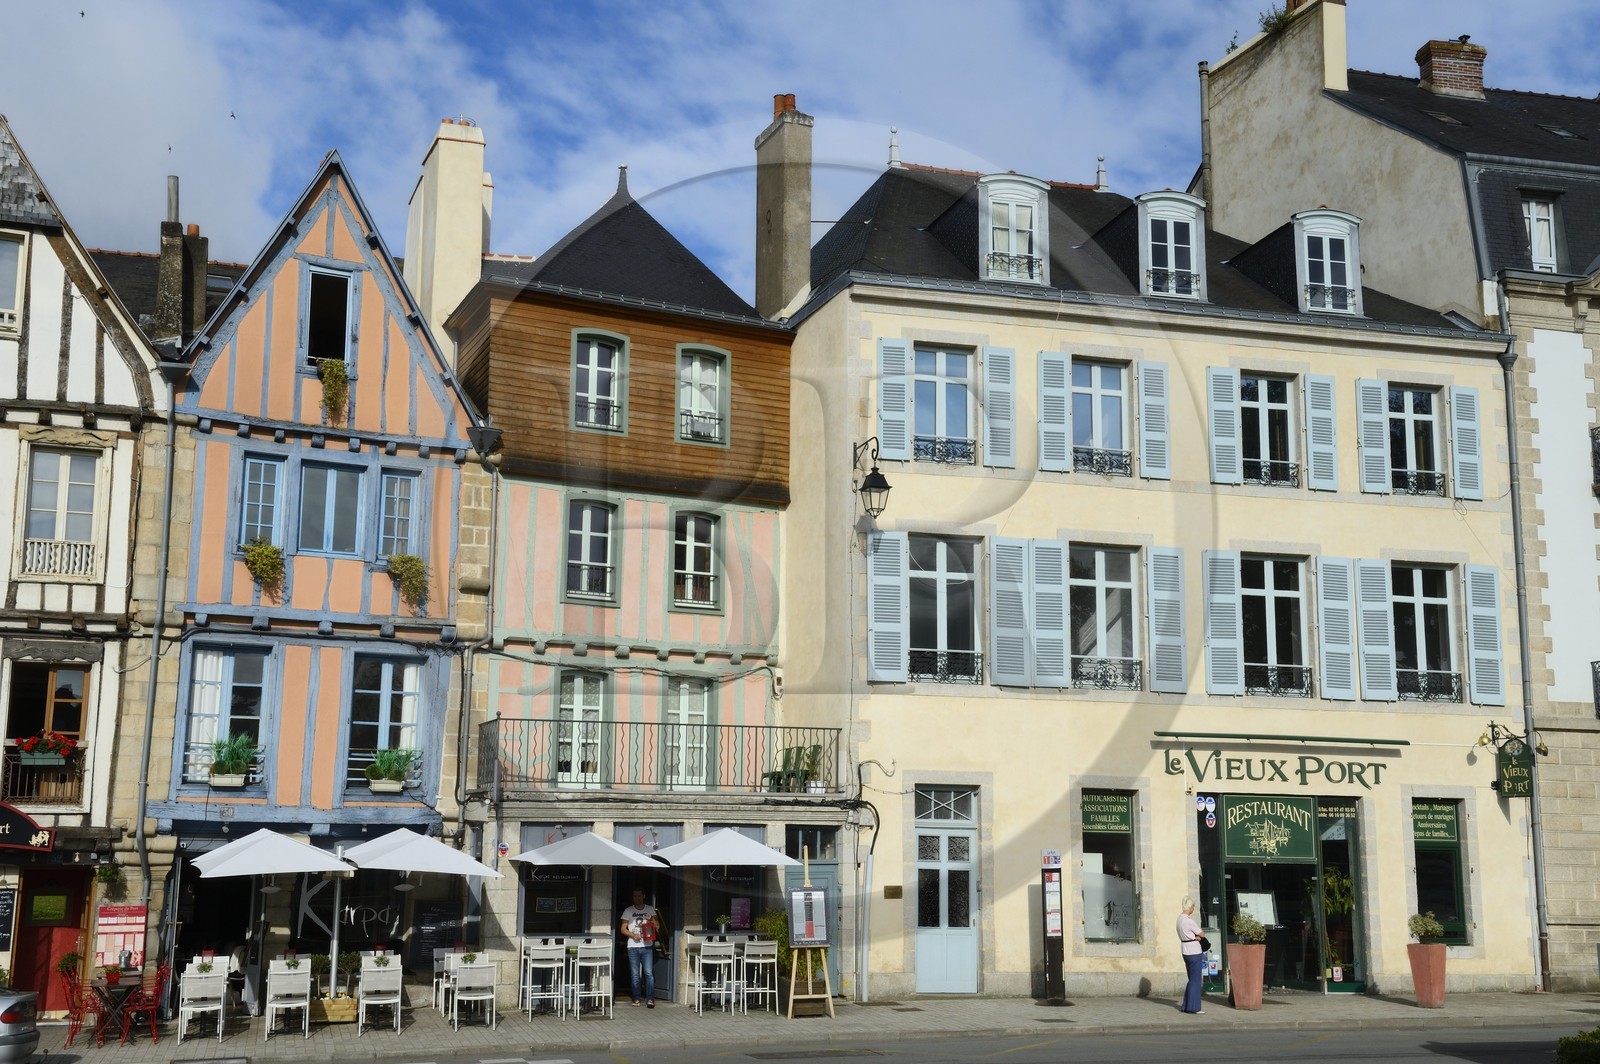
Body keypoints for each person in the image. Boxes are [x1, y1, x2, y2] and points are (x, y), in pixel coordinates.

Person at [619, 888, 661, 1008]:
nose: (637, 898)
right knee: (635, 974)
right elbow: (623, 929)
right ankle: (636, 998)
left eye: (639, 896)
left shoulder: (650, 909)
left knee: (648, 973)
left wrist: (651, 919)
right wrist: (633, 935)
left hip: (647, 946)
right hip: (633, 946)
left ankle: (650, 999)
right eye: (635, 896)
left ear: (643, 896)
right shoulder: (628, 910)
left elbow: (657, 927)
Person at [1177, 896, 1205, 1014]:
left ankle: (1186, 1005)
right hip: (1194, 951)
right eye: (1193, 906)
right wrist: (1197, 937)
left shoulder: (1179, 919)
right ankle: (1194, 1007)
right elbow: (1201, 933)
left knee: (1191, 979)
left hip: (1185, 950)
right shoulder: (1188, 921)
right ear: (1190, 907)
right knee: (1195, 980)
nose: (1193, 909)